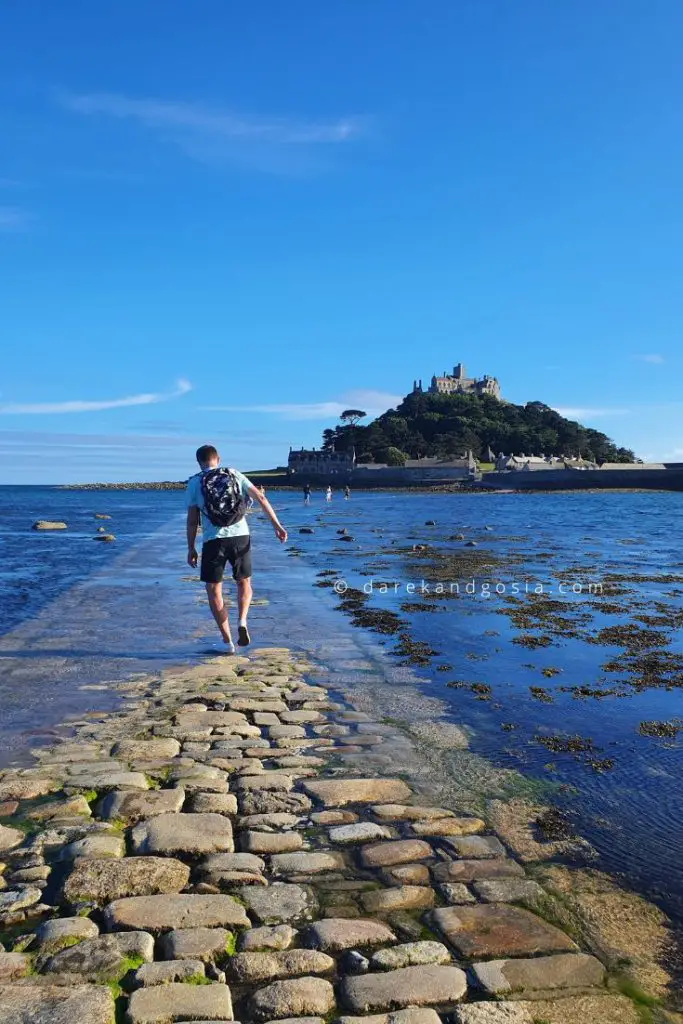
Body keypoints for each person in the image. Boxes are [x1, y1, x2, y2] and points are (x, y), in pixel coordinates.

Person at [186, 445, 287, 652]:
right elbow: (261, 497)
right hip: (241, 536)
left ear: (199, 462)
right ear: (218, 459)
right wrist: (277, 525)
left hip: (213, 540)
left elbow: (192, 521)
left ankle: (227, 642)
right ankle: (242, 621)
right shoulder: (233, 473)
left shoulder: (195, 482)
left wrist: (191, 548)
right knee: (244, 581)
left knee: (214, 590)